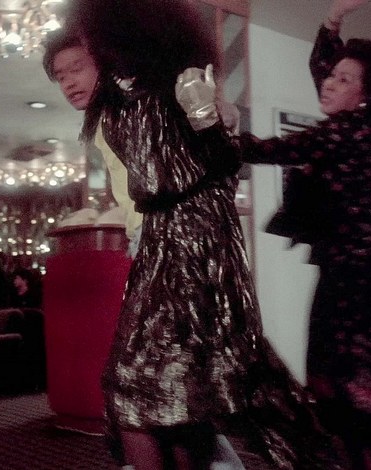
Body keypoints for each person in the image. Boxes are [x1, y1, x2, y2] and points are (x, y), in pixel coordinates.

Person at [66, 1, 344, 468]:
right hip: (162, 244)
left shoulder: (175, 87)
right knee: (165, 390)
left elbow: (201, 170)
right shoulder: (120, 107)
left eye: (93, 42)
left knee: (167, 384)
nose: (91, 54)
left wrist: (212, 119)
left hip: (198, 245)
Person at [42, 30, 247, 469]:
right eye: (60, 75)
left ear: (104, 61)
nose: (69, 82)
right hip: (151, 246)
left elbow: (206, 153)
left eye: (77, 68)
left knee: (142, 387)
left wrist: (219, 112)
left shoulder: (135, 103)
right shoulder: (103, 118)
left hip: (178, 247)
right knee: (162, 388)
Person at [229, 1, 371, 468]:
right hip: (352, 267)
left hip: (356, 276)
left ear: (363, 97)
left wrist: (213, 127)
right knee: (338, 385)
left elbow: (268, 149)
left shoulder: (345, 135)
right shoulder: (362, 128)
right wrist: (332, 20)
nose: (329, 82)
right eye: (332, 75)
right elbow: (326, 71)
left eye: (344, 80)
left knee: (353, 389)